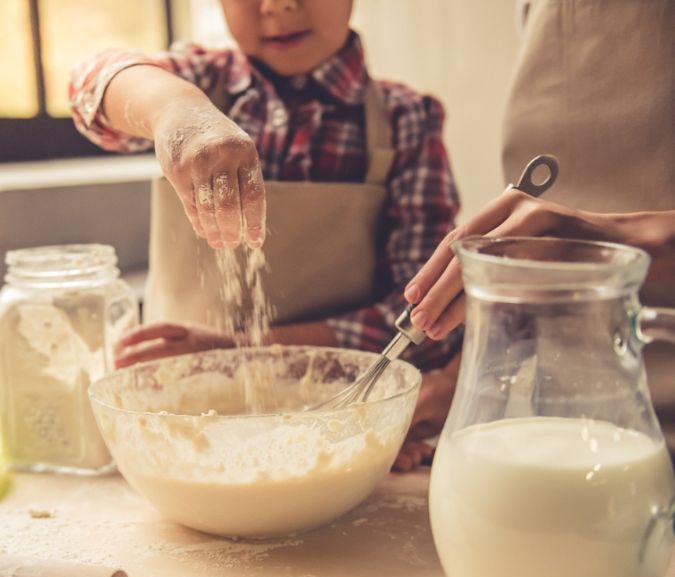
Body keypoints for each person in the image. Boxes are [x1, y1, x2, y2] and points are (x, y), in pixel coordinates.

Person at [69, 0, 463, 471]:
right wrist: (176, 109)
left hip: (336, 425)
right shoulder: (200, 81)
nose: (278, 5)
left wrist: (234, 353)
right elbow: (89, 81)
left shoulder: (406, 120)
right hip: (176, 425)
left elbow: (424, 315)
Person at [405, 0, 675, 450]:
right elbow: (538, 256)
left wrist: (621, 242)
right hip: (565, 432)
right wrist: (459, 381)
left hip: (651, 441)